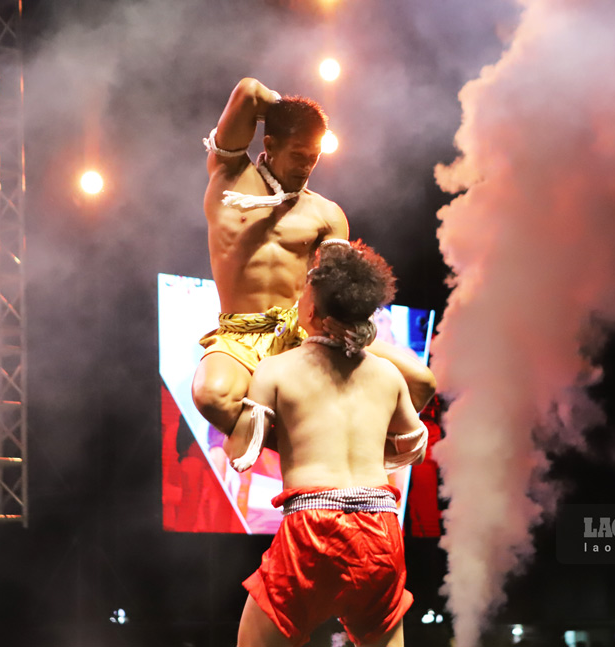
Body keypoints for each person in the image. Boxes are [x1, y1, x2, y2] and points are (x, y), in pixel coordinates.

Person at [194, 78, 435, 442]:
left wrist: (357, 326)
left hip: (302, 333)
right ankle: (300, 448)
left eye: (314, 156)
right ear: (270, 144)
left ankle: (358, 447)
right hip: (240, 337)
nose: (307, 166)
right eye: (297, 155)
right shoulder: (229, 176)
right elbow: (246, 91)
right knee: (212, 396)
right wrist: (283, 112)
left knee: (422, 382)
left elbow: (340, 283)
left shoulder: (326, 214)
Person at [225, 242, 427, 647]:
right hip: (381, 531)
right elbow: (415, 446)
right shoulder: (388, 375)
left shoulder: (277, 369)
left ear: (313, 311)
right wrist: (373, 451)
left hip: (313, 528)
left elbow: (240, 455)